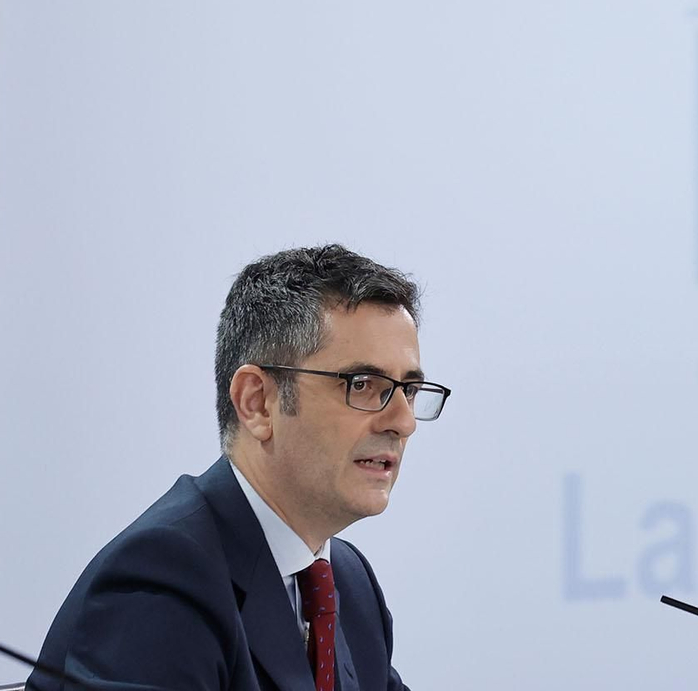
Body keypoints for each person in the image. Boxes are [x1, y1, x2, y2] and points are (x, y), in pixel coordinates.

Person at [29, 244, 450, 691]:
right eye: (363, 384)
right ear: (257, 403)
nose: (403, 422)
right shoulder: (161, 578)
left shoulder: (349, 582)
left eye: (408, 390)